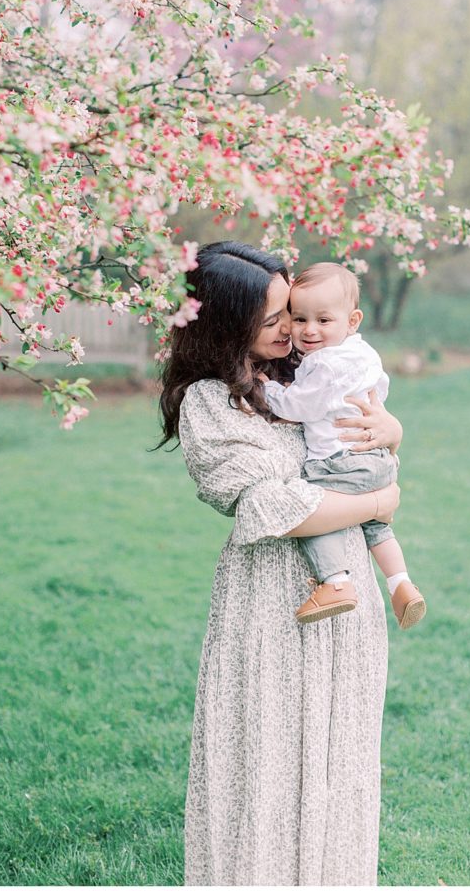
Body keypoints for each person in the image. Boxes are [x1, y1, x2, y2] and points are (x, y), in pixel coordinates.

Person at [158, 241, 402, 886]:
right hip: (270, 606)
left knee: (340, 762)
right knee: (263, 767)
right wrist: (379, 499)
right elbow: (275, 510)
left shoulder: (311, 367)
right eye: (273, 319)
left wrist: (391, 432)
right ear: (225, 324)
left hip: (348, 596)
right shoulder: (209, 403)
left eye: (290, 313)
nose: (291, 329)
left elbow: (362, 433)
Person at [263, 261, 426, 629]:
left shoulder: (324, 365)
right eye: (300, 319)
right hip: (376, 460)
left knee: (319, 515)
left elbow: (297, 407)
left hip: (337, 463)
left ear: (352, 320)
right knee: (377, 527)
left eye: (323, 320)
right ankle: (401, 583)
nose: (309, 330)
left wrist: (266, 388)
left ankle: (335, 582)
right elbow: (379, 392)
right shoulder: (363, 353)